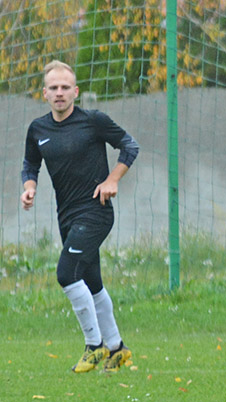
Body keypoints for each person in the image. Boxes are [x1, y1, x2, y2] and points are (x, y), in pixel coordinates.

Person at [19, 60, 139, 374]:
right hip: (67, 216)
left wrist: (112, 180)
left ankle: (94, 344)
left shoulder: (94, 121)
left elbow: (129, 146)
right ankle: (117, 349)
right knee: (92, 282)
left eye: (65, 88)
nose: (59, 93)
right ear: (44, 93)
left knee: (66, 273)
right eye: (53, 88)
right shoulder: (38, 129)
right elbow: (30, 165)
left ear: (76, 91)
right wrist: (28, 187)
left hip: (96, 212)